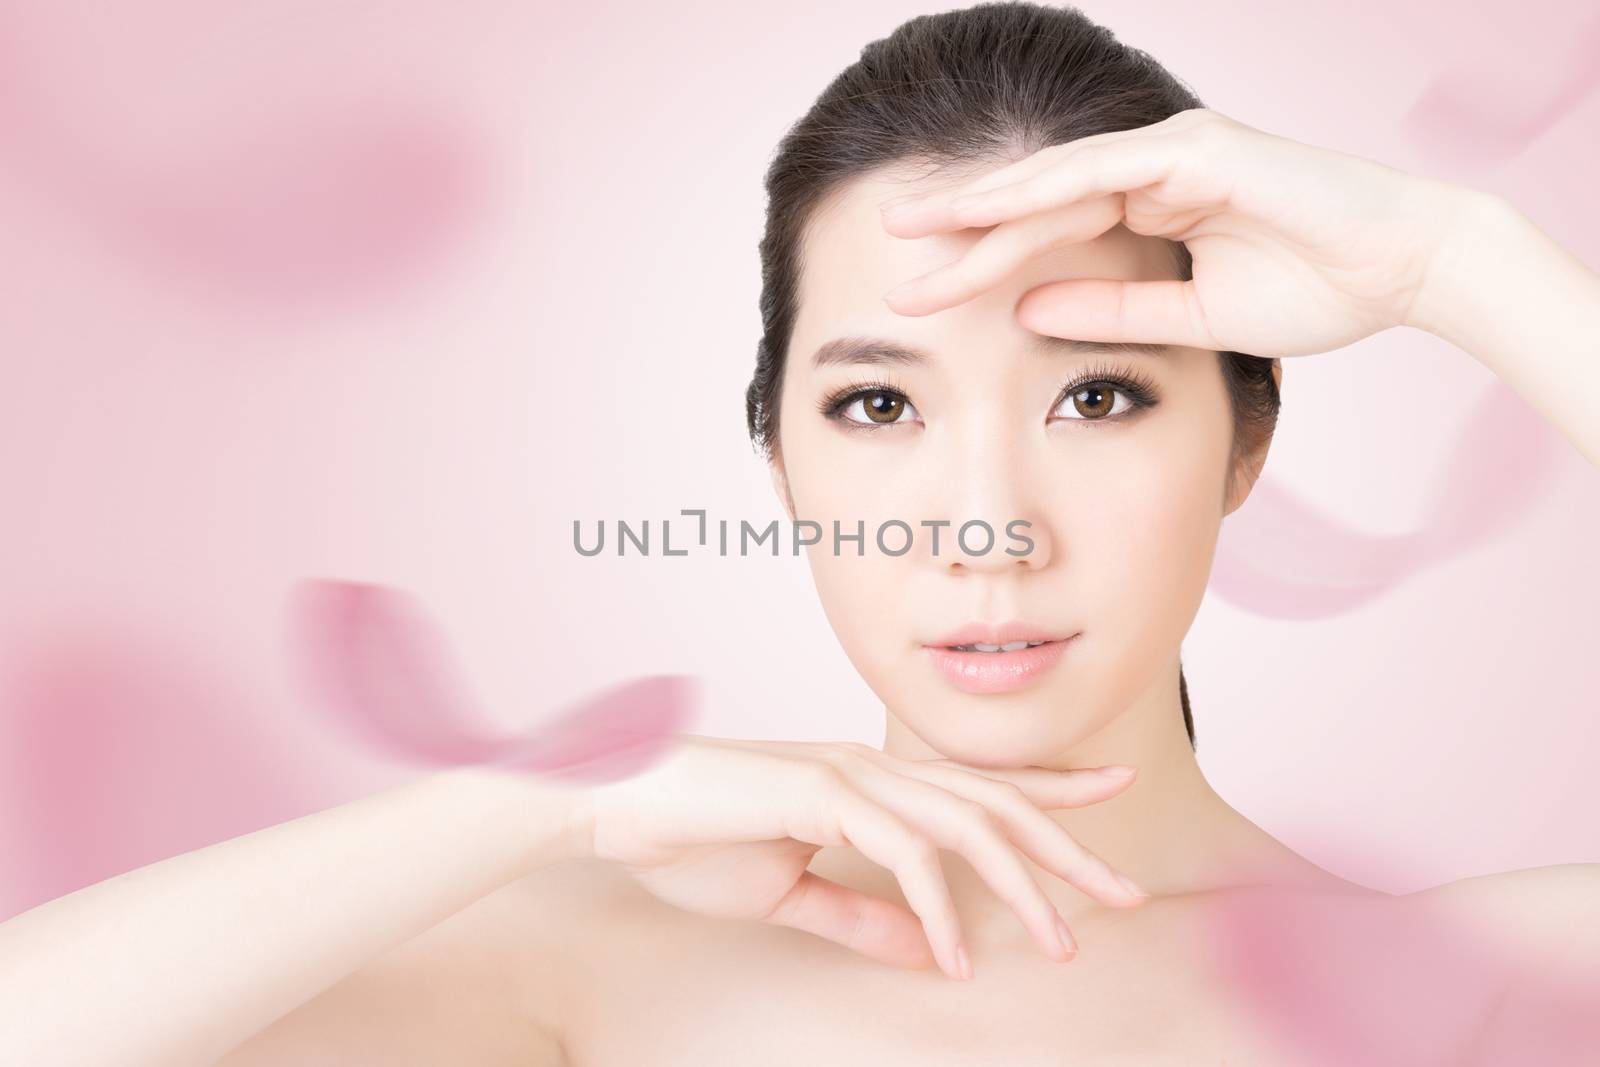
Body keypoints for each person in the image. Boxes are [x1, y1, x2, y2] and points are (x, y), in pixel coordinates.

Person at [2, 3, 1596, 1064]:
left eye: (1098, 398)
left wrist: (1454, 264)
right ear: (776, 456)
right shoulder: (576, 964)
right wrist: (533, 812)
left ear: (1246, 442)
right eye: (880, 407)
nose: (988, 527)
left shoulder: (1475, 984)